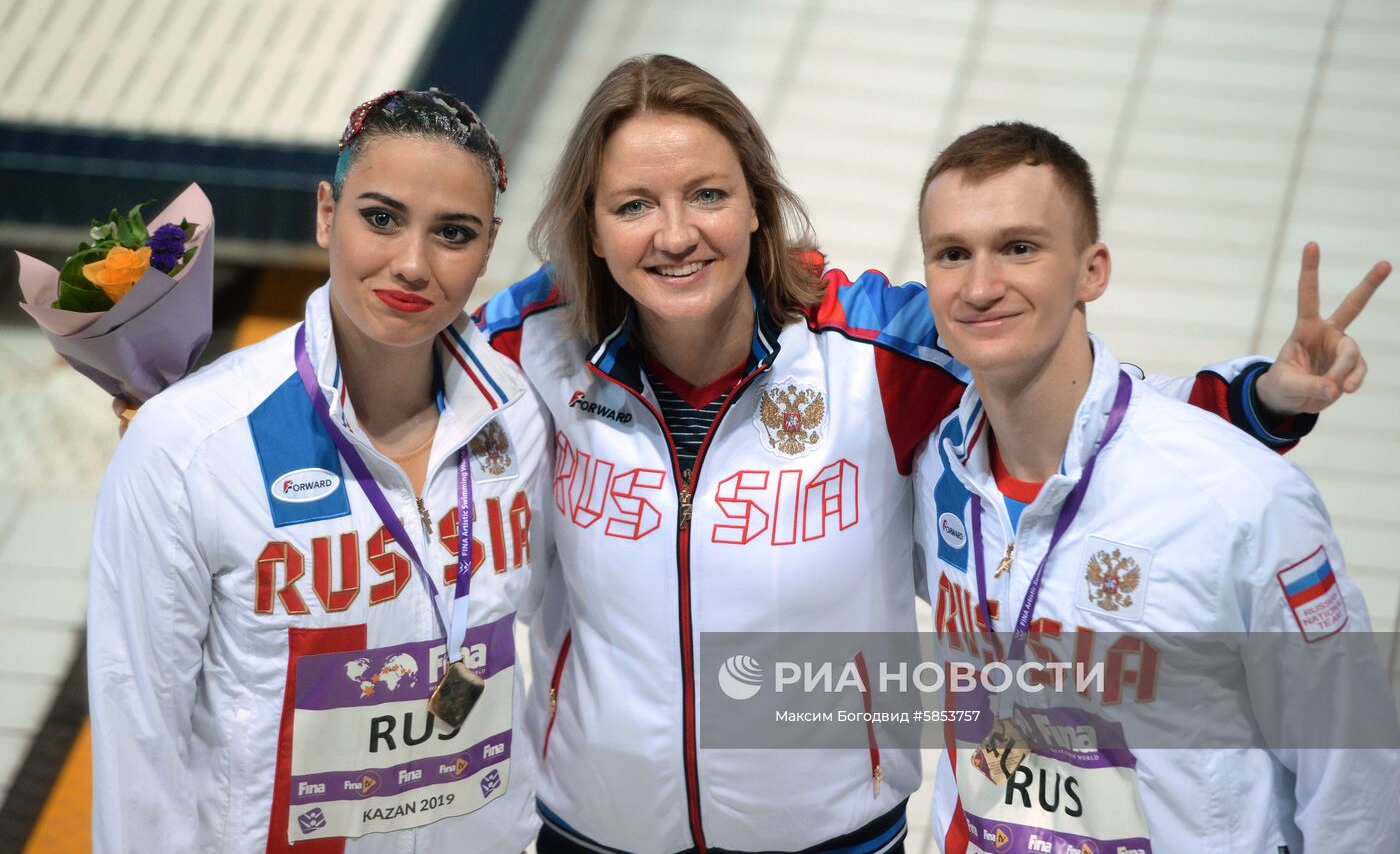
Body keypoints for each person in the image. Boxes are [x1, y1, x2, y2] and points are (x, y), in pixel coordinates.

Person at [474, 54, 1380, 853]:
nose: (675, 234)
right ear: (591, 228)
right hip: (593, 833)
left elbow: (1083, 407)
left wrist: (1260, 401)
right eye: (634, 205)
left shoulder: (874, 348)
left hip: (832, 839)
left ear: (758, 206)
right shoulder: (529, 348)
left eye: (708, 194)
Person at [911, 122, 1398, 852]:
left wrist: (1265, 398)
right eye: (953, 254)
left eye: (1019, 247)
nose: (980, 286)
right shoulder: (933, 468)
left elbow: (1351, 779)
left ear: (1092, 271)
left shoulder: (1241, 502)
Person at [87, 90, 552, 851]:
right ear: (325, 212)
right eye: (380, 217)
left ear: (490, 244)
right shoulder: (194, 445)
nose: (412, 262)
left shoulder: (522, 420)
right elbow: (139, 723)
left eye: (454, 234)